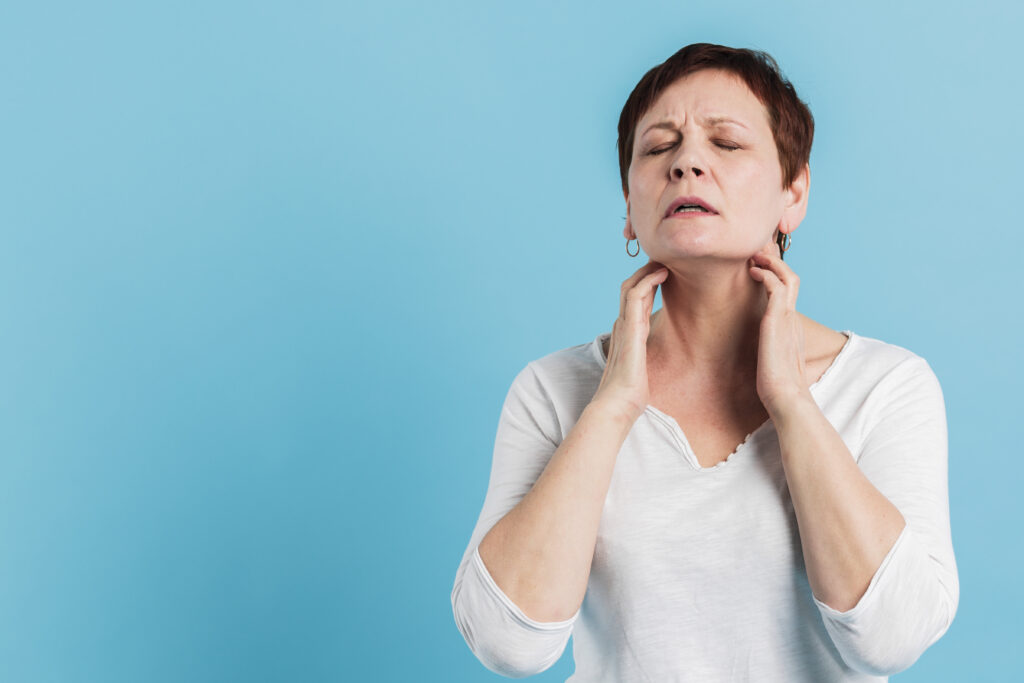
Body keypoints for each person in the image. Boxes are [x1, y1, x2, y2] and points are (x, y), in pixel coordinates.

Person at [450, 43, 958, 682]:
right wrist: (611, 408)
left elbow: (891, 638)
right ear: (630, 209)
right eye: (659, 147)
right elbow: (508, 644)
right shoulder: (554, 390)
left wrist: (793, 402)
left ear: (793, 192)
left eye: (727, 143)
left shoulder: (885, 386)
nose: (687, 162)